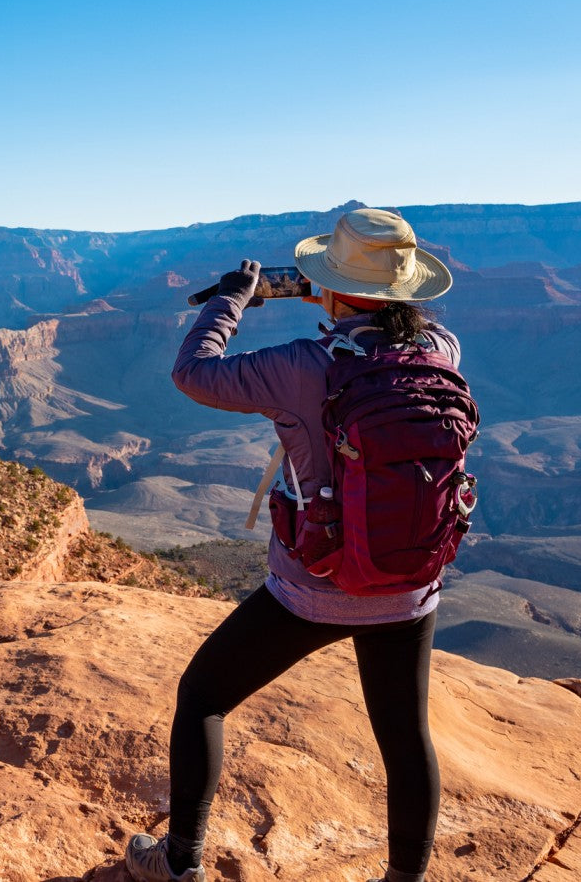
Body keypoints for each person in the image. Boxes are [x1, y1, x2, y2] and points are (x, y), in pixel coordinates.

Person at [125, 208, 459, 882]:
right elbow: (382, 317)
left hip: (314, 591)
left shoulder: (302, 366)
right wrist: (334, 290)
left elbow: (193, 371)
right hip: (408, 591)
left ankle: (178, 861)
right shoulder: (442, 352)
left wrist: (235, 298)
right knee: (406, 738)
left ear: (332, 285)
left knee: (203, 695)